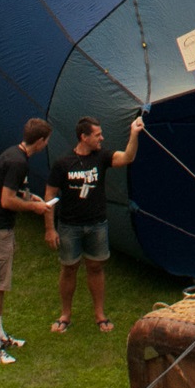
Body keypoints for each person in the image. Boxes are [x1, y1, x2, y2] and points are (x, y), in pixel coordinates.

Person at [45, 113, 144, 333]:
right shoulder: (63, 164)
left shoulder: (101, 157)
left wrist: (134, 133)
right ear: (84, 136)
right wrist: (50, 228)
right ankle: (65, 315)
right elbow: (49, 195)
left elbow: (127, 157)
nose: (102, 139)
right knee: (69, 269)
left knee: (96, 267)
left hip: (97, 225)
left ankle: (100, 315)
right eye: (97, 135)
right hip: (69, 226)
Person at [0, 117, 53, 365]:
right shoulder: (18, 162)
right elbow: (6, 200)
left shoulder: (15, 154)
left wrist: (33, 199)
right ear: (41, 141)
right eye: (47, 140)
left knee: (1, 283)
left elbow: (15, 190)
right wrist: (34, 210)